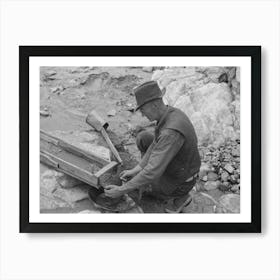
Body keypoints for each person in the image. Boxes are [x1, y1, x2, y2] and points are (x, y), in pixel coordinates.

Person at [104, 80, 201, 212]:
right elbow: (155, 143)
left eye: (143, 109)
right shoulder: (169, 113)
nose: (143, 114)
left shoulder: (170, 133)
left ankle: (180, 198)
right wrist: (136, 170)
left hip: (182, 181)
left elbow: (151, 172)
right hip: (179, 164)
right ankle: (154, 176)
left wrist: (121, 190)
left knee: (143, 185)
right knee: (143, 138)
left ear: (154, 105)